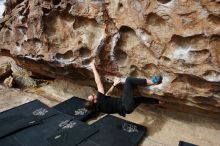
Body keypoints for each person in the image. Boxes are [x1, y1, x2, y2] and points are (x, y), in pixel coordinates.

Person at [86, 60, 163, 116]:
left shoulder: (99, 107)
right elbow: (98, 82)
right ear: (94, 101)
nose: (94, 94)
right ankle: (153, 82)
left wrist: (114, 84)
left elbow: (107, 95)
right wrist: (93, 68)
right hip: (125, 104)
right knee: (129, 80)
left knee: (140, 99)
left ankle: (160, 102)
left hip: (127, 109)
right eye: (93, 96)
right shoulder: (100, 99)